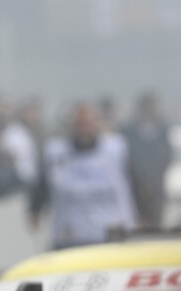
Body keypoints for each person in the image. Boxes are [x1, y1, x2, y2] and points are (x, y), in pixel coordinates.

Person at [29, 103, 137, 249]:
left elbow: (137, 183)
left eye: (88, 124)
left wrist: (145, 214)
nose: (84, 129)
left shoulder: (115, 151)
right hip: (70, 235)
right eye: (79, 124)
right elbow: (42, 185)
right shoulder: (56, 154)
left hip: (111, 235)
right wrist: (35, 210)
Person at [121, 92, 173, 229]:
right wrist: (140, 180)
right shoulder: (129, 131)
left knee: (157, 223)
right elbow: (128, 158)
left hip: (157, 185)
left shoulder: (164, 130)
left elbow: (167, 157)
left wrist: (154, 178)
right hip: (134, 186)